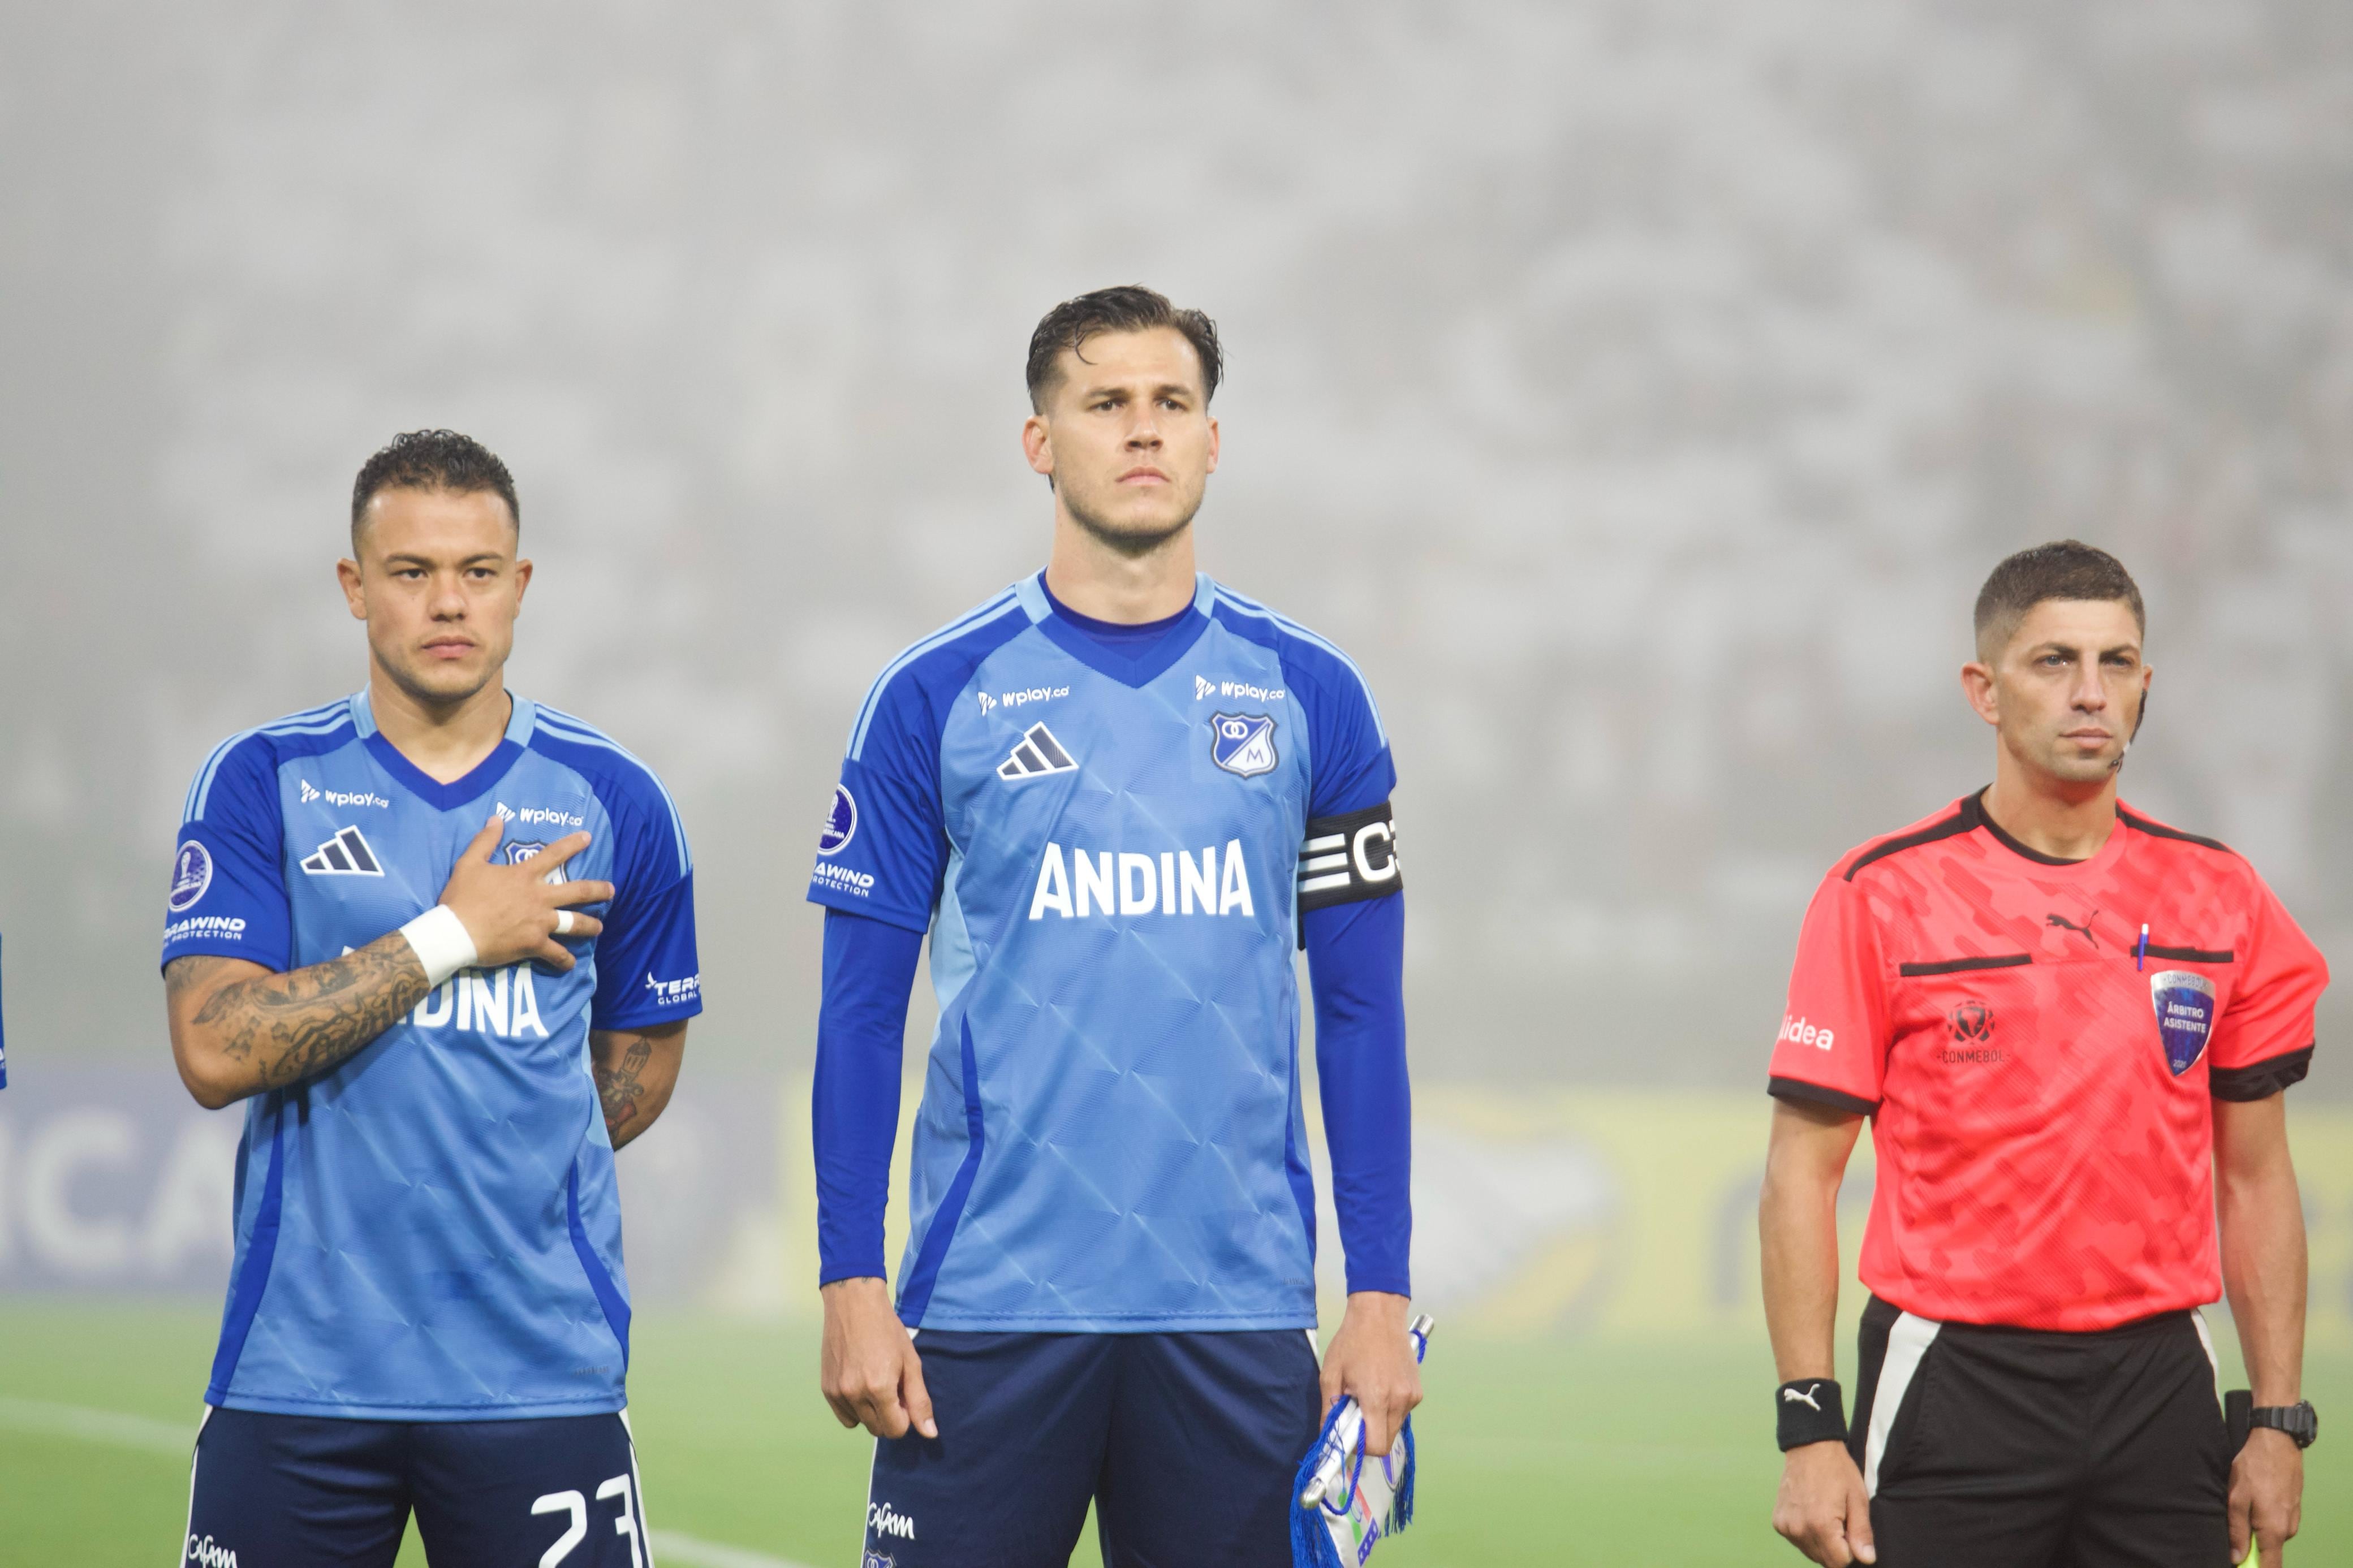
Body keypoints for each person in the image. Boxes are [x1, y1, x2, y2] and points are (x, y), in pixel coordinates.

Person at [807, 286, 1419, 1568]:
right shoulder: (931, 695)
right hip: (985, 1308)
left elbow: (1360, 1018)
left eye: (1171, 403)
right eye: (1105, 404)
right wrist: (849, 1278)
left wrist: (1376, 1294)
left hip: (1235, 1312)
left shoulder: (1312, 694)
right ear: (1042, 442)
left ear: (1211, 440)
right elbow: (861, 1015)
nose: (1142, 432)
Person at [161, 430, 701, 1567]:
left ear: (521, 585)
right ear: (356, 589)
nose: (447, 603)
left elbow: (644, 1057)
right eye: (411, 573)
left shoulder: (618, 798)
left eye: (478, 571)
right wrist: (454, 935)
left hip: (539, 1375)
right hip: (300, 1374)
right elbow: (213, 1046)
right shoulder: (262, 781)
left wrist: (518, 1147)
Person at [1759, 541, 2324, 1568]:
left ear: (2146, 686)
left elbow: (2255, 1176)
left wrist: (2279, 1419)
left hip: (2163, 1383)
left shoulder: (2222, 899)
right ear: (1985, 689)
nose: (2090, 693)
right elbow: (1801, 1173)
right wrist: (1810, 1425)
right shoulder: (1880, 894)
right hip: (1955, 1379)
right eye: (2054, 661)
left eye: (2117, 664)